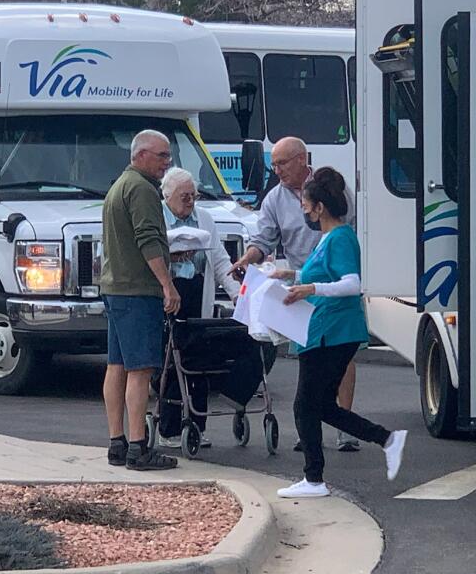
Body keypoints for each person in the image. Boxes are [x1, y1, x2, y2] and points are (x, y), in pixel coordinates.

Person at [268, 167, 407, 498]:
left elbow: (351, 283)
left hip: (332, 331)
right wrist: (294, 275)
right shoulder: (330, 238)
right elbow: (326, 275)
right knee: (321, 406)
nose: (304, 212)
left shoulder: (340, 238)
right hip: (325, 330)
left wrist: (309, 288)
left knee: (305, 406)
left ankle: (314, 478)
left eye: (306, 206)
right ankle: (385, 439)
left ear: (320, 207)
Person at [229, 136, 362, 452]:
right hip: (301, 281)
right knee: (308, 357)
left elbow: (350, 228)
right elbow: (263, 240)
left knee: (342, 356)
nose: (276, 170)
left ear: (302, 159)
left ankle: (344, 428)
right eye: (273, 164)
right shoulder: (274, 199)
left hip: (333, 280)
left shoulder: (331, 187)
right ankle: (309, 427)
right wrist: (247, 259)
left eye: (282, 163)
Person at [155, 167, 256, 448]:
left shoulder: (205, 219)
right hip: (170, 296)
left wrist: (237, 294)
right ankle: (169, 429)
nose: (190, 201)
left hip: (198, 295)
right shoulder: (157, 218)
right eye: (184, 196)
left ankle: (197, 426)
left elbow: (220, 261)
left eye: (194, 196)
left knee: (199, 360)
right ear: (167, 196)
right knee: (173, 362)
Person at [101, 130, 181, 471]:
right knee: (140, 370)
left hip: (115, 287)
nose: (167, 162)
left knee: (116, 365)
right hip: (137, 291)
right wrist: (167, 284)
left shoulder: (119, 185)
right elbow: (147, 239)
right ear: (141, 155)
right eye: (162, 156)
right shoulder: (143, 190)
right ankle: (138, 447)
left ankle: (116, 442)